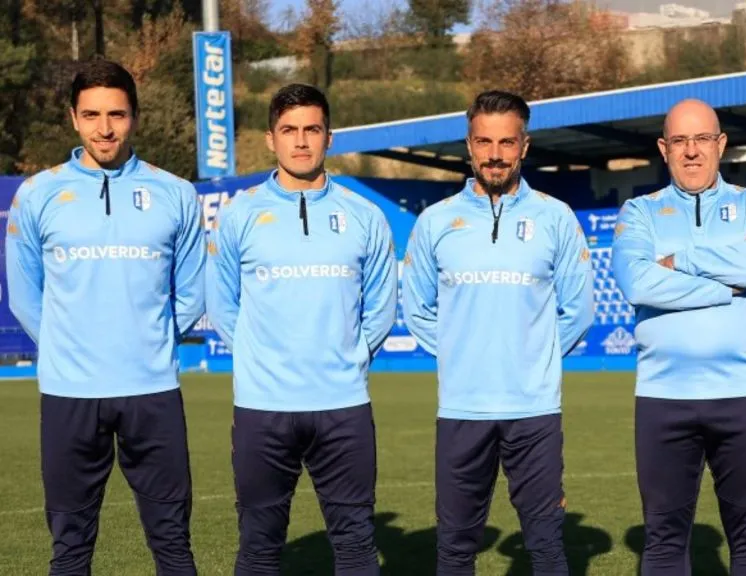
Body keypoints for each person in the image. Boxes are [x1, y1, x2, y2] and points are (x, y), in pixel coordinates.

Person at [4, 60, 205, 575]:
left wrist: (150, 340)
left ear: (134, 116)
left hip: (152, 390)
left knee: (173, 543)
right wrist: (68, 348)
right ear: (73, 118)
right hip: (70, 393)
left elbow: (193, 292)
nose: (105, 128)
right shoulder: (38, 194)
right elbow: (25, 296)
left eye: (116, 114)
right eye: (91, 115)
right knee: (70, 548)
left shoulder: (175, 193)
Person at [400, 90, 595, 576]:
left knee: (547, 546)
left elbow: (578, 309)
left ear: (524, 146)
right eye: (484, 142)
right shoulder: (436, 221)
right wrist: (460, 353)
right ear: (469, 145)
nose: (495, 154)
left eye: (507, 142)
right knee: (454, 548)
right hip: (462, 410)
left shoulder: (556, 217)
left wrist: (533, 357)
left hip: (534, 411)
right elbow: (416, 308)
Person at [205, 83, 397, 575]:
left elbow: (381, 304)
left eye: (312, 129)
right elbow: (222, 303)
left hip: (343, 405)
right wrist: (258, 358)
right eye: (289, 130)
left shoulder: (364, 215)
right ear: (271, 139)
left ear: (329, 137)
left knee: (356, 545)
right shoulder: (241, 213)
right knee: (258, 546)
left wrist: (353, 355)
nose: (301, 140)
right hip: (263, 407)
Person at [611, 98, 746, 575]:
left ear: (721, 144)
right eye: (680, 140)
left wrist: (682, 260)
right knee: (664, 541)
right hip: (663, 397)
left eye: (702, 139)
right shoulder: (640, 211)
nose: (692, 151)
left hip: (745, 394)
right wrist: (727, 287)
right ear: (663, 148)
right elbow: (638, 283)